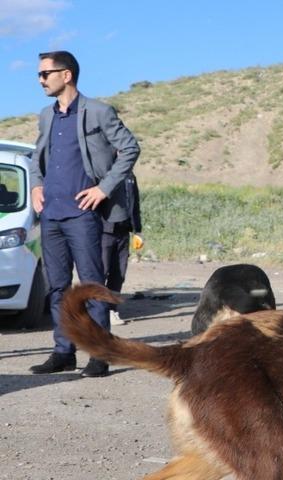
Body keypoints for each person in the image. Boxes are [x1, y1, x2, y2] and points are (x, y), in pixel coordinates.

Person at [28, 51, 140, 378]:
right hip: (51, 215)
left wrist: (103, 189)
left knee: (91, 285)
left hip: (84, 215)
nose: (40, 80)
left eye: (45, 73)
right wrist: (36, 187)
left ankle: (100, 354)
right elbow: (37, 159)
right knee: (58, 287)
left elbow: (130, 148)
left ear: (67, 75)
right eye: (39, 74)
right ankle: (63, 351)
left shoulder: (100, 112)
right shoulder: (46, 116)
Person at [102, 174, 143, 326]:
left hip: (124, 232)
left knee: (119, 273)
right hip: (104, 231)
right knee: (101, 271)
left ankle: (112, 310)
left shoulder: (130, 176)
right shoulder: (105, 172)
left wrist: (138, 230)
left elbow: (135, 202)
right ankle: (97, 310)